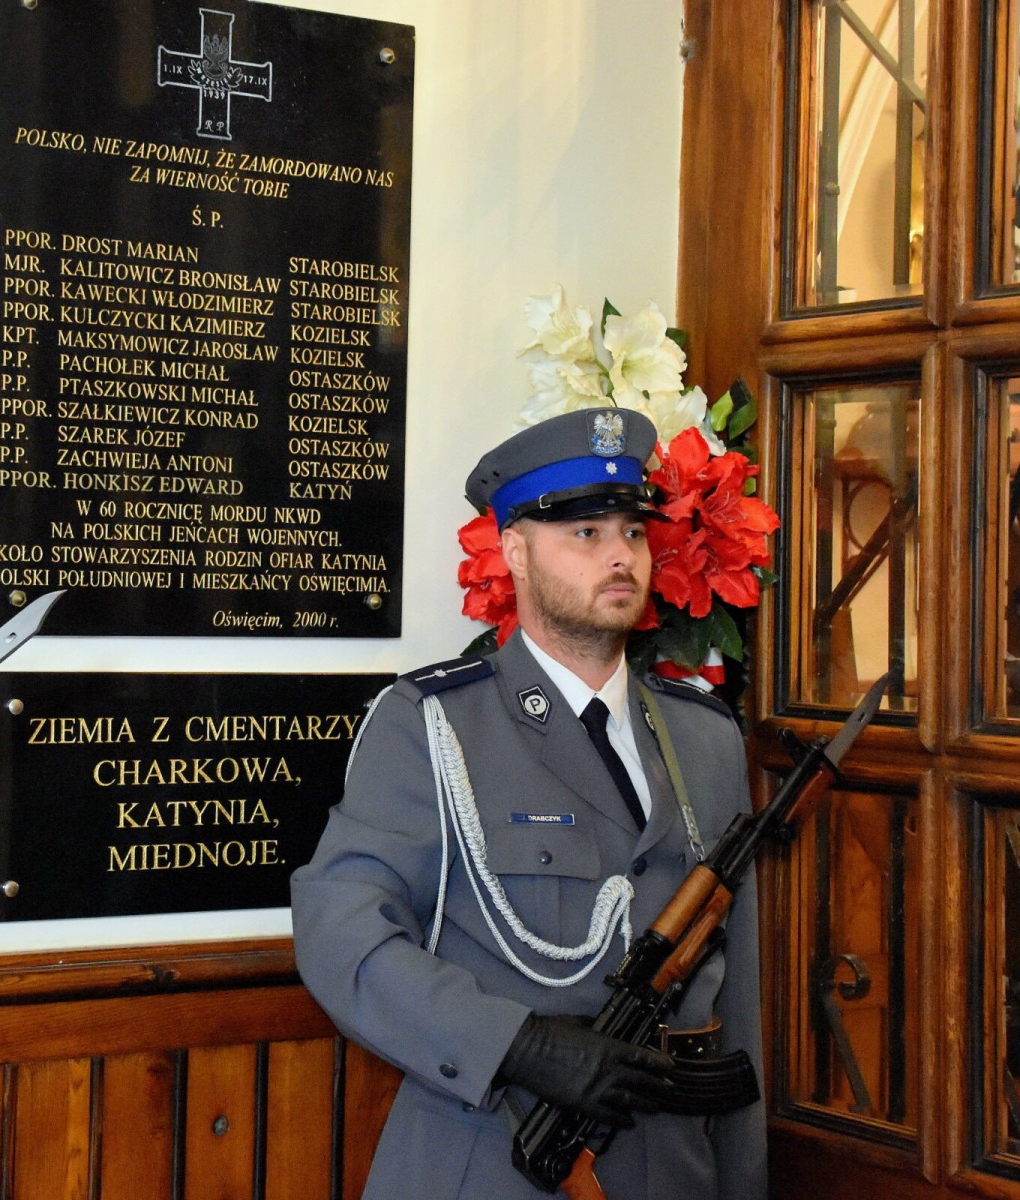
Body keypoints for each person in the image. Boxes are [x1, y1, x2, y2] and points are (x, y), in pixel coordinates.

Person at [291, 407, 765, 1199]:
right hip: (497, 1158)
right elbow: (342, 935)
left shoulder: (705, 739)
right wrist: (517, 1045)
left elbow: (737, 998)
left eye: (633, 531)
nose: (620, 555)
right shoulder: (434, 726)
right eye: (585, 533)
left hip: (675, 1170)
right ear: (515, 551)